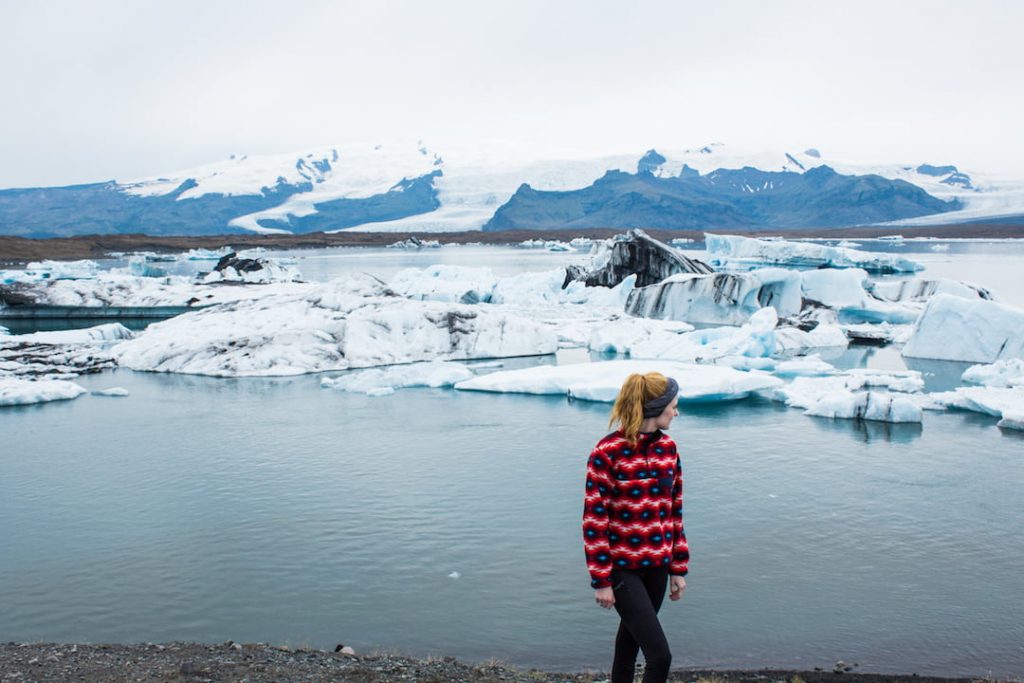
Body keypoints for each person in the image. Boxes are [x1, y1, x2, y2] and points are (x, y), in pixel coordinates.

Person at [582, 371, 689, 683]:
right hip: (623, 569)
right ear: (655, 408)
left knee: (628, 646)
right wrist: (601, 580)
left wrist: (678, 567)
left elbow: (675, 511)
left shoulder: (669, 449)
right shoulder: (607, 452)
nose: (677, 412)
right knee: (660, 656)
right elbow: (594, 519)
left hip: (657, 564)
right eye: (674, 405)